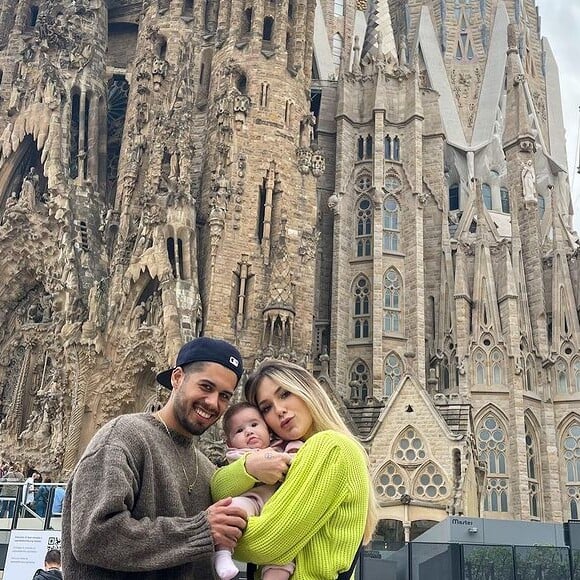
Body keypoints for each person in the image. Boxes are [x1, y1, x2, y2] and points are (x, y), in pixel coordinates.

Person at [62, 337, 251, 580]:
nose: (213, 403)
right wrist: (199, 531)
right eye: (206, 387)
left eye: (225, 396)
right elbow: (92, 536)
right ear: (177, 378)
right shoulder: (124, 436)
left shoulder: (207, 469)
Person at [212, 359, 378, 579]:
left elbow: (265, 543)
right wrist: (249, 467)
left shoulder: (331, 447)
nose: (279, 410)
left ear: (307, 390)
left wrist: (218, 534)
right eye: (267, 408)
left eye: (285, 394)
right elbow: (218, 488)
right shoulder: (289, 455)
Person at [213, 402, 302, 580]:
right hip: (253, 501)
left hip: (282, 508)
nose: (248, 431)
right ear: (230, 442)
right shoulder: (240, 454)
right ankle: (222, 554)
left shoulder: (284, 445)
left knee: (283, 555)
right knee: (232, 510)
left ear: (268, 430)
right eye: (239, 431)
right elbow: (219, 483)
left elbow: (300, 456)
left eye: (254, 425)